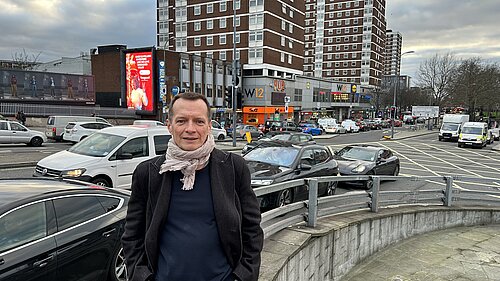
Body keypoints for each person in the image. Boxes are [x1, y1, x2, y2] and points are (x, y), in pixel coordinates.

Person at [122, 92, 263, 281]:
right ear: (169, 126)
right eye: (181, 121)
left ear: (209, 126)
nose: (190, 129)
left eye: (199, 121)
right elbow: (132, 235)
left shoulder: (233, 168)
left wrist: (242, 276)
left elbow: (252, 230)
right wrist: (142, 277)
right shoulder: (148, 173)